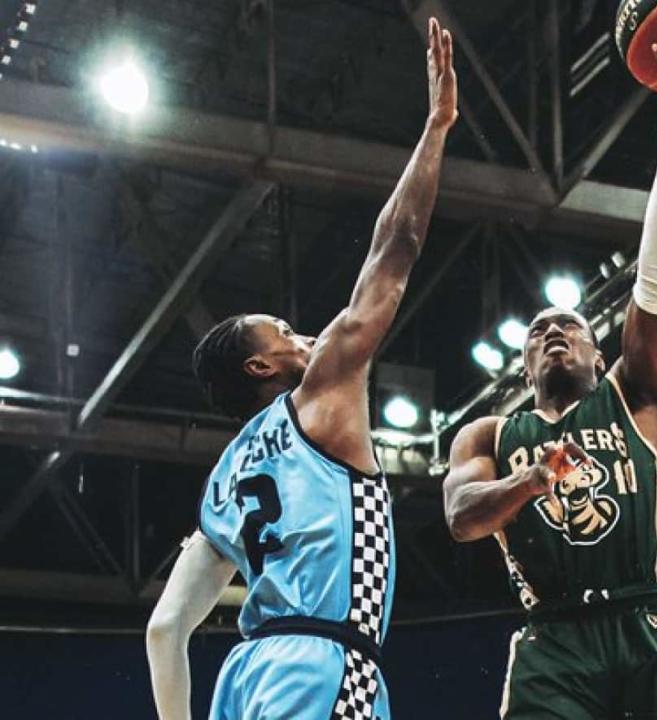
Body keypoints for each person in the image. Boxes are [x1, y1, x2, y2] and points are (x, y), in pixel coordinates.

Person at [145, 17, 458, 720]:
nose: (306, 335)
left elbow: (166, 628)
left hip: (245, 679)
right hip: (321, 664)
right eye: (285, 332)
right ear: (261, 364)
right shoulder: (322, 397)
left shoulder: (226, 478)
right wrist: (436, 127)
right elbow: (395, 250)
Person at [443, 22, 657, 720]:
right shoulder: (487, 434)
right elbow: (459, 517)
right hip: (555, 632)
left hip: (646, 619)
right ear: (523, 363)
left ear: (599, 355)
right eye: (539, 331)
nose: (552, 334)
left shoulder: (634, 396)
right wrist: (531, 479)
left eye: (568, 327)